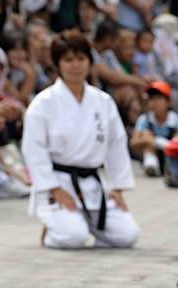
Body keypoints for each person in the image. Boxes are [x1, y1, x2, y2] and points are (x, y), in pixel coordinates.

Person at [22, 31, 139, 249]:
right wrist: (54, 189)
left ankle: (85, 223)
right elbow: (33, 150)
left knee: (128, 235)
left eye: (80, 59)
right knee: (73, 238)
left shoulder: (102, 101)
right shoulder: (43, 104)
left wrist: (118, 187)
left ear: (89, 61)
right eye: (68, 60)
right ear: (58, 64)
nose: (75, 65)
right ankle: (53, 231)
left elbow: (116, 144)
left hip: (93, 185)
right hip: (58, 183)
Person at [130, 81, 178, 180]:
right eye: (151, 98)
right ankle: (151, 166)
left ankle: (171, 169)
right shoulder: (145, 119)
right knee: (146, 134)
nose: (154, 102)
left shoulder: (177, 120)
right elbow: (133, 142)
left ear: (168, 102)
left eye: (159, 98)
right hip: (152, 154)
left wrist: (167, 144)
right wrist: (149, 140)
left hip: (171, 157)